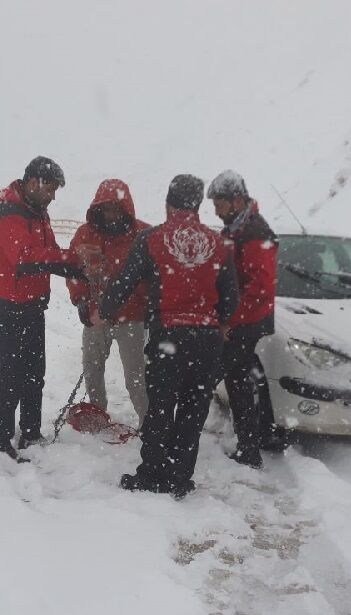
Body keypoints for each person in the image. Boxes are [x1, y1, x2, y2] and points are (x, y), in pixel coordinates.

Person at [98, 174, 239, 499]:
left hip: (168, 337)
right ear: (197, 204)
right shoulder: (218, 245)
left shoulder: (151, 239)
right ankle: (179, 477)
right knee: (193, 410)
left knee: (161, 407)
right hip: (205, 341)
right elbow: (230, 299)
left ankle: (152, 475)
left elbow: (125, 282)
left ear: (168, 204)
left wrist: (104, 309)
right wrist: (216, 322)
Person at [0, 156, 83, 460]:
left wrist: (80, 267)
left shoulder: (38, 214)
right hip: (8, 308)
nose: (53, 196)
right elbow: (27, 258)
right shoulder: (9, 214)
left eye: (55, 190)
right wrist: (73, 261)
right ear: (32, 183)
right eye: (50, 189)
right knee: (12, 374)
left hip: (31, 308)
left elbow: (50, 253)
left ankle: (30, 432)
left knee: (33, 374)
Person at [208, 170, 281, 469]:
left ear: (237, 200)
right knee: (241, 383)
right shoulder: (238, 228)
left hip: (246, 324)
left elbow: (259, 289)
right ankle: (255, 442)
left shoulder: (253, 233)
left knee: (216, 379)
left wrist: (230, 322)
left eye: (220, 204)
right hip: (245, 322)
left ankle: (251, 448)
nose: (216, 210)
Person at [67, 179, 150, 425]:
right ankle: (96, 414)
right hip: (95, 316)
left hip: (131, 317)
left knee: (136, 376)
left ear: (126, 208)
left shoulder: (143, 234)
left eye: (116, 208)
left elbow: (153, 278)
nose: (111, 214)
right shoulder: (85, 233)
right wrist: (81, 300)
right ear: (98, 208)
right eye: (106, 208)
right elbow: (74, 270)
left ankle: (149, 422)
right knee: (92, 369)